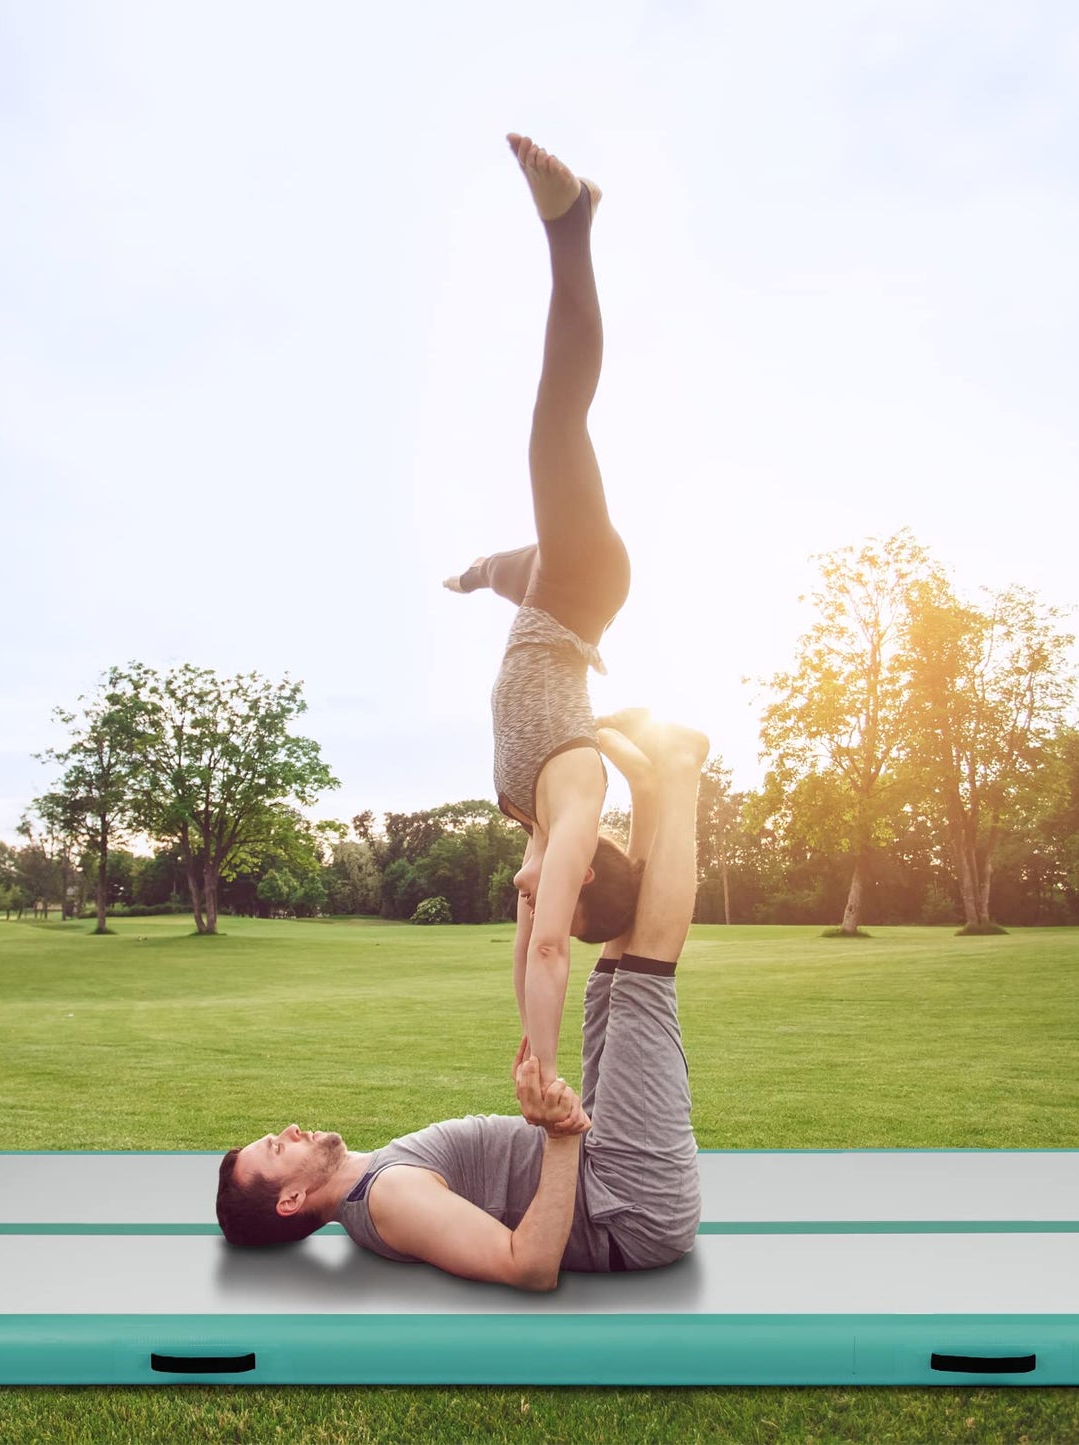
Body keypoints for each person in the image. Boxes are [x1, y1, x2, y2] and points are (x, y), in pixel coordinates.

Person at [215, 712, 709, 1289]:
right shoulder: (388, 1200)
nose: (291, 1128)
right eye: (277, 1147)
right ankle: (681, 777)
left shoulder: (374, 1177)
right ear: (291, 1200)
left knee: (614, 980)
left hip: (605, 1177)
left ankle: (651, 792)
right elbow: (528, 1267)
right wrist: (560, 1134)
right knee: (644, 982)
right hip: (629, 1209)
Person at [444, 134, 640, 1098]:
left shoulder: (533, 827)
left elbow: (528, 943)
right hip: (577, 591)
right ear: (583, 870)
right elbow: (555, 940)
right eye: (549, 884)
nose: (523, 897)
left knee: (510, 567)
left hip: (550, 592)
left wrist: (520, 1042)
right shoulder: (574, 808)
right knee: (556, 423)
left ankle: (484, 568)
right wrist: (554, 1068)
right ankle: (575, 223)